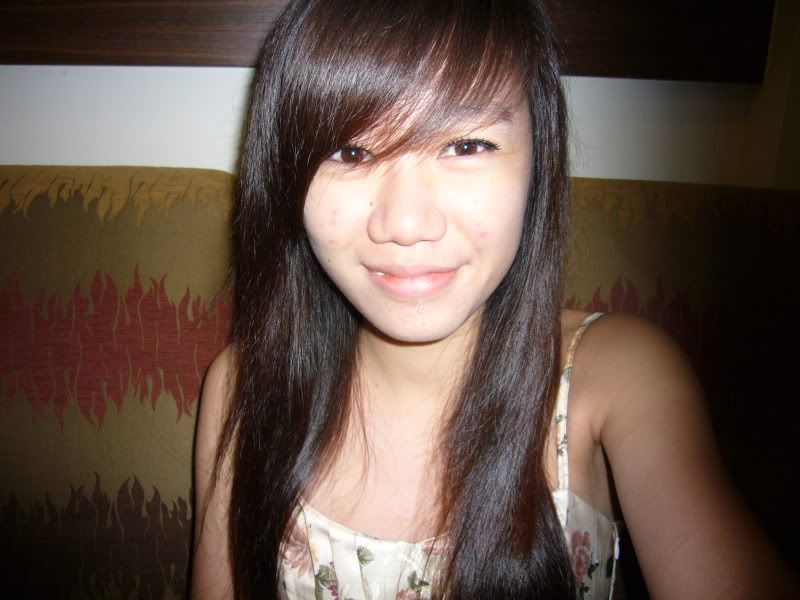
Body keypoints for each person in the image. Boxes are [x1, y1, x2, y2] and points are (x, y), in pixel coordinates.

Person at [191, 1, 796, 598]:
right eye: (350, 152)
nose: (406, 223)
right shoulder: (243, 386)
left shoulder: (616, 377)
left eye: (466, 146)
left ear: (537, 160)